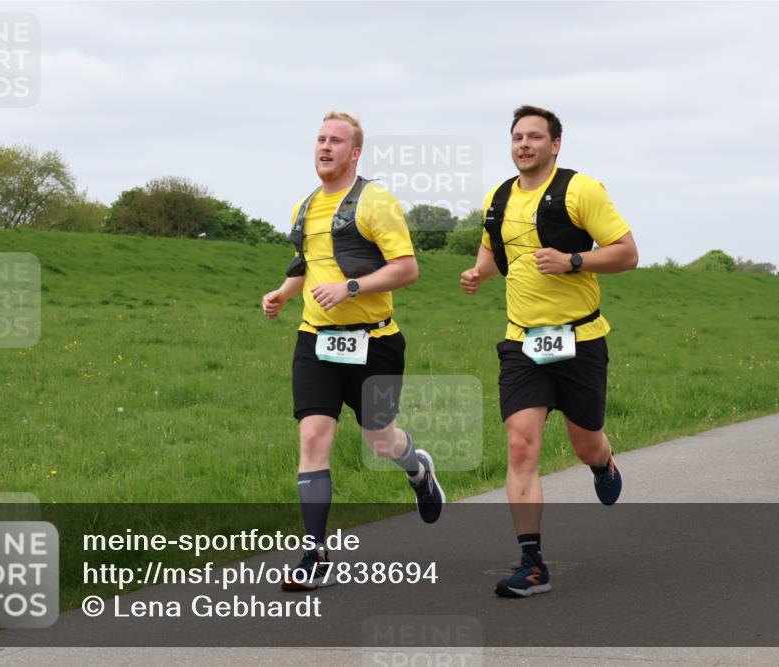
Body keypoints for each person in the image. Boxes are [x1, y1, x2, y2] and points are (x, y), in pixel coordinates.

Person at [460, 105, 638, 598]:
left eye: (535, 137)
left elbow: (627, 252)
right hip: (522, 343)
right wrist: (479, 273)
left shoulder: (581, 190)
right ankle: (532, 564)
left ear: (555, 144)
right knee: (520, 446)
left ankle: (604, 463)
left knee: (585, 443)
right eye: (517, 137)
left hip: (580, 341)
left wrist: (574, 259)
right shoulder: (497, 199)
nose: (524, 144)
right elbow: (495, 253)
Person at [262, 111, 444, 591]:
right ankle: (316, 553)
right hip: (316, 341)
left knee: (380, 440)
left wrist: (352, 287)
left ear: (355, 152)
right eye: (320, 139)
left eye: (336, 140)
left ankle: (418, 468)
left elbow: (407, 269)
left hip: (375, 343)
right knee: (313, 438)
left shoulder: (375, 202)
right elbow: (305, 264)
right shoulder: (306, 207)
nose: (325, 147)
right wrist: (284, 291)